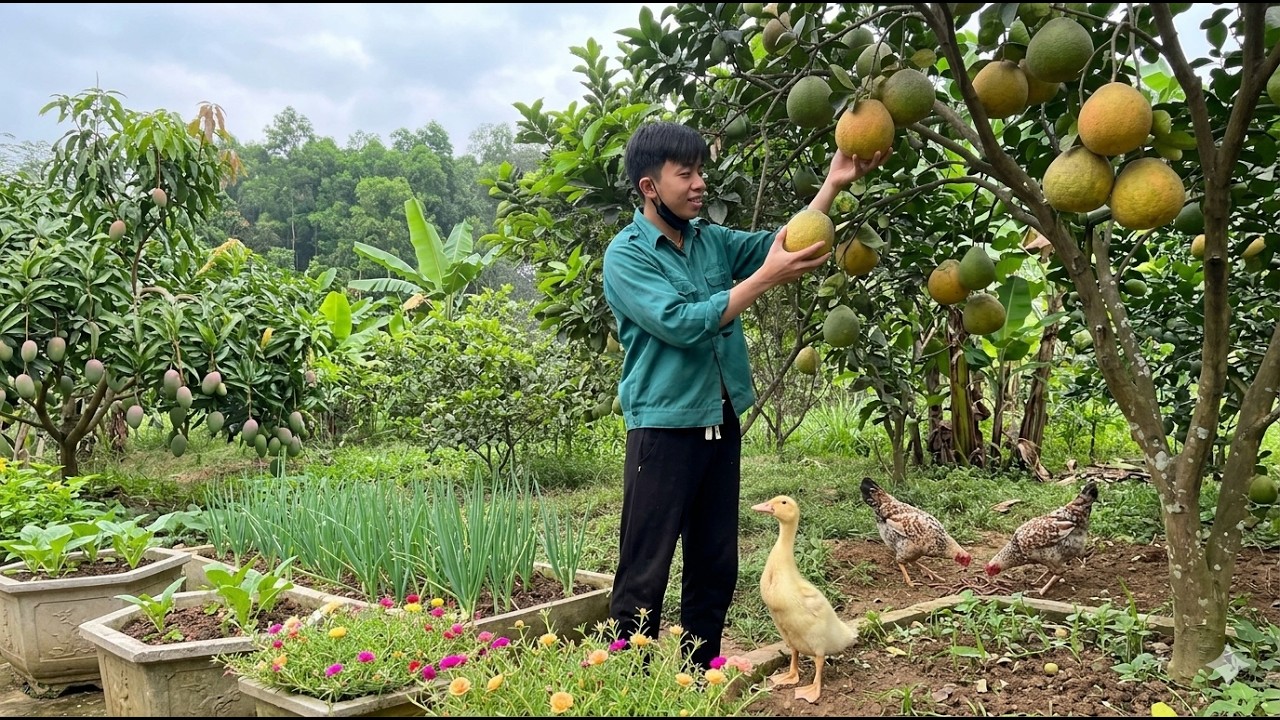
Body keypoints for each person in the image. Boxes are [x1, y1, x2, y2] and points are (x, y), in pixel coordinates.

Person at [601, 120, 887, 668]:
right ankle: (628, 682)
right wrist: (763, 281)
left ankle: (699, 673)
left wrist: (831, 184)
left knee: (714, 562)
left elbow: (777, 246)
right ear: (649, 187)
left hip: (719, 419)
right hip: (663, 429)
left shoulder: (709, 240)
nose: (699, 184)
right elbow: (681, 323)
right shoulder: (627, 256)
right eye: (685, 174)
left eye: (701, 171)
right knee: (645, 567)